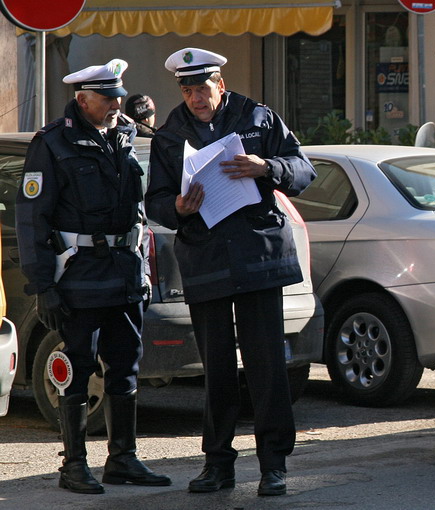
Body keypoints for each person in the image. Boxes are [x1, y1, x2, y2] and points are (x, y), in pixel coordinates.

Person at [145, 48, 316, 496]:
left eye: (203, 88)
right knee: (216, 370)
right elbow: (155, 200)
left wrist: (268, 167)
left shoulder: (258, 117)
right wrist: (176, 208)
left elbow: (303, 168)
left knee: (266, 367)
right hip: (206, 261)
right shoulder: (170, 134)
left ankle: (273, 465)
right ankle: (217, 464)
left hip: (258, 256)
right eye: (187, 91)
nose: (196, 98)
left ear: (220, 83)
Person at [15, 59, 171, 494]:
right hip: (79, 274)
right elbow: (32, 221)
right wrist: (43, 285)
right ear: (83, 100)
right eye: (108, 99)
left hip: (123, 272)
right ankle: (75, 465)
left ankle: (122, 458)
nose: (117, 105)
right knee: (78, 370)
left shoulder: (124, 134)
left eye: (120, 97)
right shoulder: (52, 142)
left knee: (125, 368)